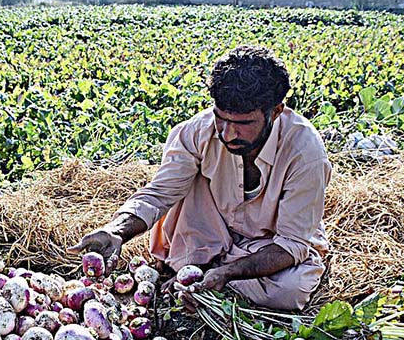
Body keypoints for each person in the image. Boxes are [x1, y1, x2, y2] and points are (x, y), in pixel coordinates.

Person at [69, 45, 331, 311]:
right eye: (221, 118)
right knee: (188, 184)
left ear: (274, 112)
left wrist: (228, 273)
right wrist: (116, 232)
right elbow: (160, 193)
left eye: (242, 124)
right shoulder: (197, 131)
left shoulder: (305, 152)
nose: (227, 134)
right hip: (209, 228)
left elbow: (291, 243)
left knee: (289, 291)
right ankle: (205, 274)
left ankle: (208, 274)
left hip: (268, 242)